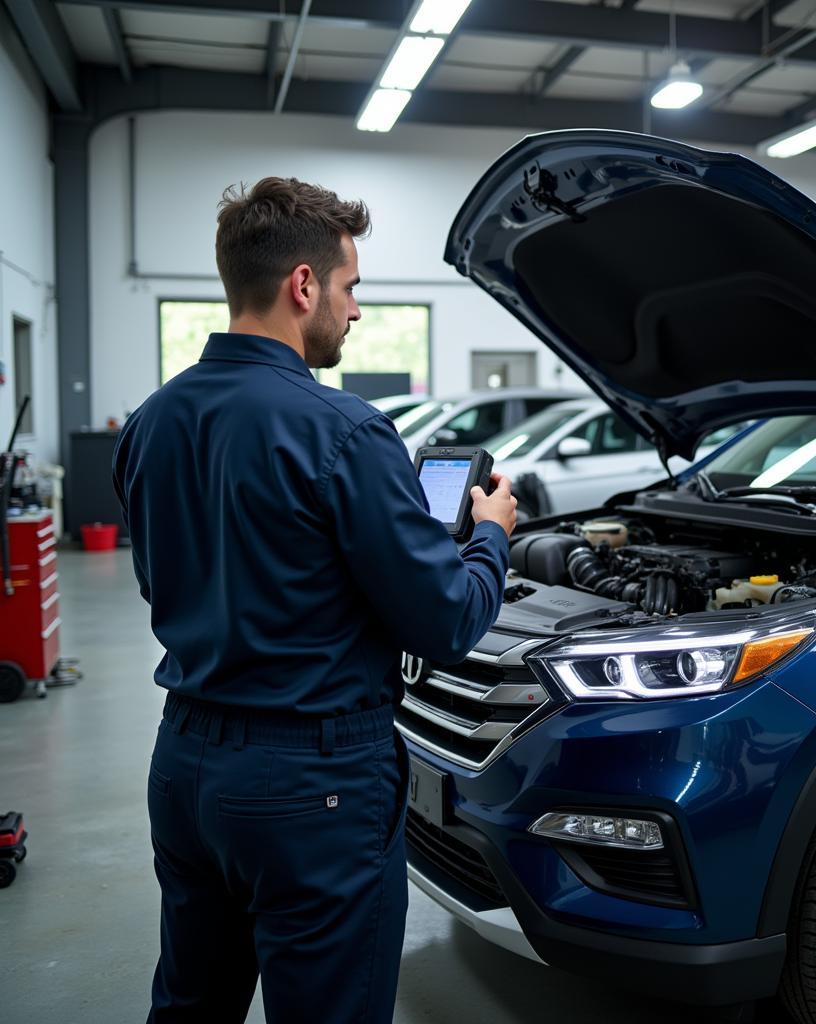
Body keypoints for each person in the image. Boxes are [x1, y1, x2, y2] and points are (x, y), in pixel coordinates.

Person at [112, 176, 516, 1024]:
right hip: (313, 785)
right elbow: (447, 621)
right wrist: (491, 536)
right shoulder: (344, 430)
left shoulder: (152, 421)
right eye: (351, 287)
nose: (356, 310)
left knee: (190, 1003)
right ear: (304, 286)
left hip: (185, 764)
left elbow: (171, 581)